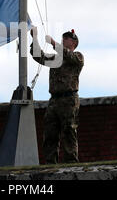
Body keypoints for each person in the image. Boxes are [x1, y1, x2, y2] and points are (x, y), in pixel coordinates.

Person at [30, 27, 84, 164]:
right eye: (63, 38)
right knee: (50, 133)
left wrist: (54, 44)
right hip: (54, 100)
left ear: (74, 43)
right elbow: (39, 56)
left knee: (68, 130)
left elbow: (69, 56)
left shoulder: (78, 56)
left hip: (69, 99)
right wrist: (34, 38)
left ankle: (71, 162)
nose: (64, 40)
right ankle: (50, 163)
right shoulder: (55, 58)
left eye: (67, 38)